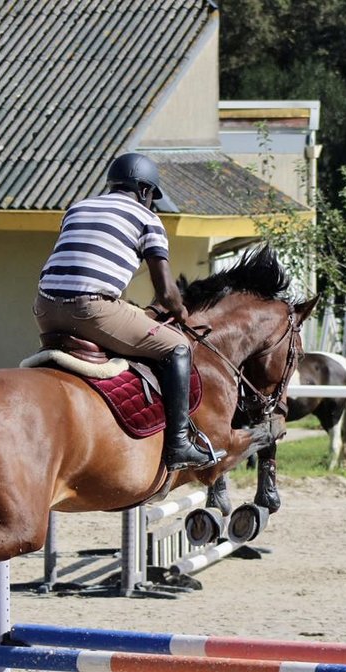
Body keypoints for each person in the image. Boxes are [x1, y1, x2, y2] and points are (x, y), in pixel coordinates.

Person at [34, 152, 219, 471]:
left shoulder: (78, 207)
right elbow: (165, 292)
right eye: (152, 197)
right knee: (177, 346)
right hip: (91, 309)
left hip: (45, 307)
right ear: (146, 191)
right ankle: (179, 444)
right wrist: (181, 312)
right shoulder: (148, 219)